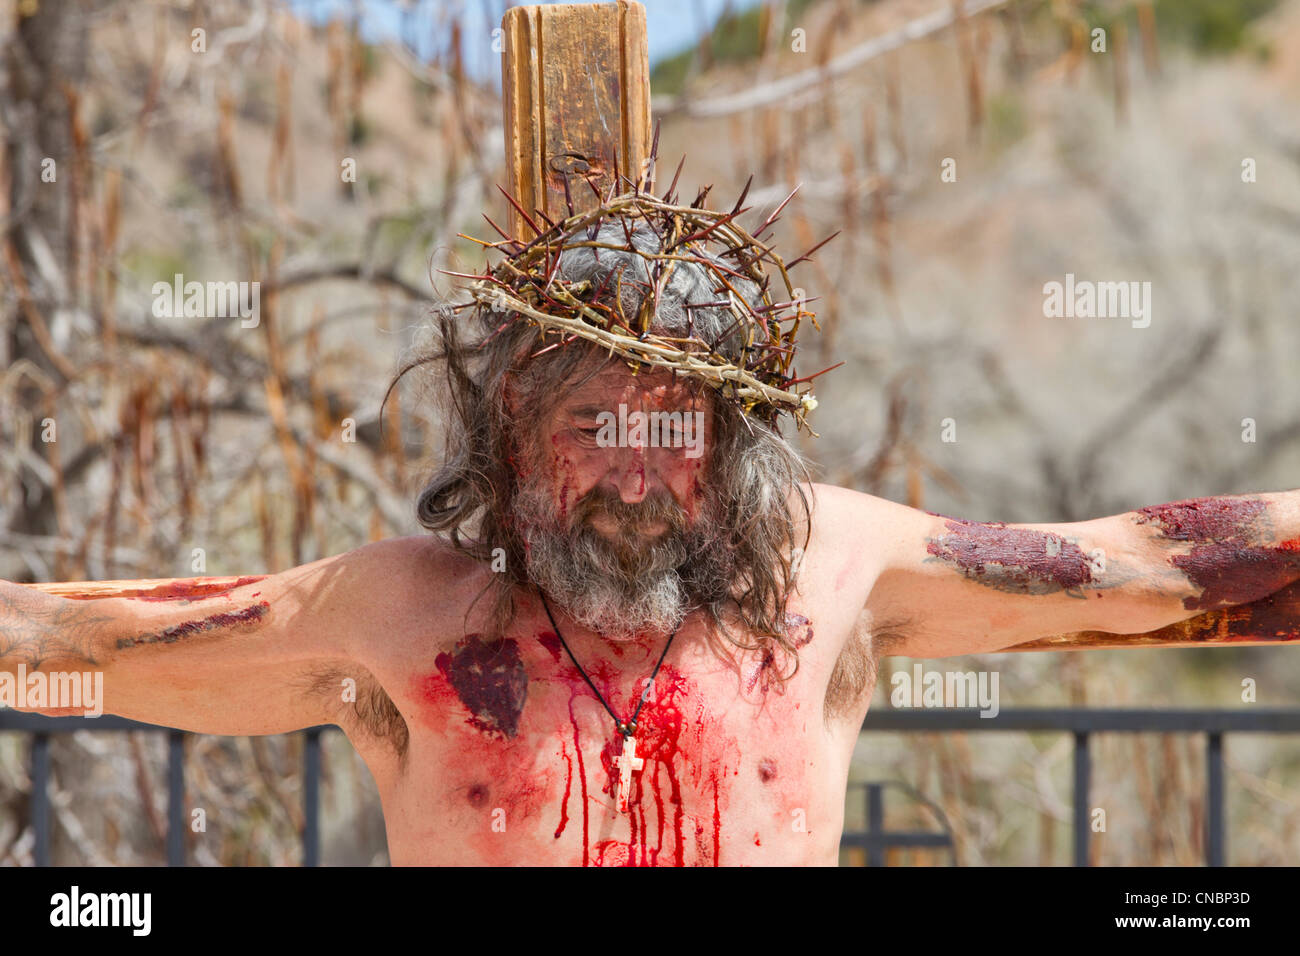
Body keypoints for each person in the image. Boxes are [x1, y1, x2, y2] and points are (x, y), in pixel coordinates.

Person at [3, 209, 1298, 867]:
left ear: (732, 450)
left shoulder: (834, 576)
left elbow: (1137, 570)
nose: (633, 475)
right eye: (592, 425)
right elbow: (91, 645)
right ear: (511, 431)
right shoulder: (400, 621)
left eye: (673, 431)